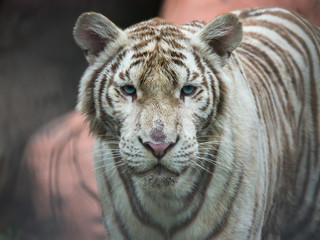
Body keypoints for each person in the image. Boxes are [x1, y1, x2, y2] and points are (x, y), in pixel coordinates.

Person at [23, 0, 320, 239]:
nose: (158, 139)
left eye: (188, 89)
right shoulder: (111, 155)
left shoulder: (241, 136)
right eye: (128, 90)